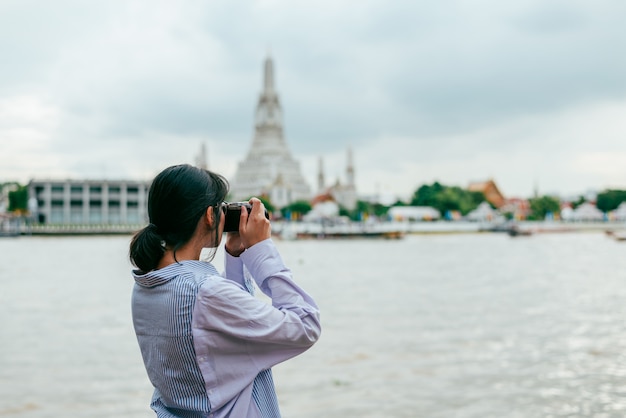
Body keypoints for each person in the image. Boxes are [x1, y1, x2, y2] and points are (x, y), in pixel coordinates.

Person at [129, 164, 321, 417]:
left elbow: (230, 335)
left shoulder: (146, 286)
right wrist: (262, 249)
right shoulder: (205, 293)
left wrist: (236, 254)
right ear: (211, 215)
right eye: (222, 207)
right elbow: (305, 325)